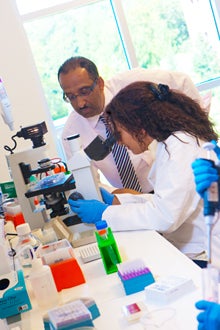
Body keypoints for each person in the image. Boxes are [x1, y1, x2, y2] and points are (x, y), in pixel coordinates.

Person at [68, 81, 220, 267]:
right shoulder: (171, 141)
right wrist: (118, 202)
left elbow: (165, 217)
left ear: (137, 124)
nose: (120, 143)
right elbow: (165, 201)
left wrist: (105, 214)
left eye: (119, 133)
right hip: (192, 244)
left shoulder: (182, 147)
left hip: (205, 253)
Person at [58, 56, 205, 193]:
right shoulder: (71, 134)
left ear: (100, 83)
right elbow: (89, 183)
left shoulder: (131, 84)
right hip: (133, 197)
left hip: (178, 180)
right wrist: (119, 197)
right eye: (70, 97)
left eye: (84, 92)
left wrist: (197, 140)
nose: (80, 103)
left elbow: (182, 81)